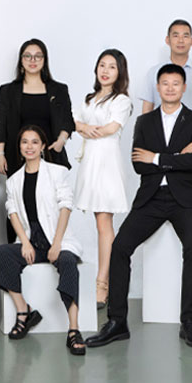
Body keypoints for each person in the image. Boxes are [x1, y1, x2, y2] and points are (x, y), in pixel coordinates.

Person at [87, 63, 192, 350]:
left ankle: (188, 322)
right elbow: (138, 165)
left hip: (185, 200)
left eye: (175, 83)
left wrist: (157, 157)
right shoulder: (144, 122)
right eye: (165, 83)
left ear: (183, 87)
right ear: (157, 87)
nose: (170, 88)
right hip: (151, 198)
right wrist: (176, 156)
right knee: (120, 248)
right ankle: (117, 322)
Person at [0, 125, 87, 355]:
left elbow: (66, 206)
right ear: (19, 147)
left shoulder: (57, 172)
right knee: (2, 254)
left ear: (43, 146)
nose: (29, 146)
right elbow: (13, 212)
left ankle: (74, 330)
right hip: (32, 243)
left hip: (58, 240)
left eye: (35, 142)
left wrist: (57, 243)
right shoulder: (14, 180)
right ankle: (24, 312)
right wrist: (24, 242)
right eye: (24, 142)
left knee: (67, 263)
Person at [72, 49, 135, 311]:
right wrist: (82, 127)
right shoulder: (89, 99)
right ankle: (104, 279)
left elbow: (111, 128)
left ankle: (103, 283)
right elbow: (74, 121)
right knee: (99, 222)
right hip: (90, 163)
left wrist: (85, 128)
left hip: (107, 163)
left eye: (111, 66)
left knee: (103, 222)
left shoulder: (121, 100)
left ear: (120, 72)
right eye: (102, 65)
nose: (105, 71)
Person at [0, 38, 74, 179]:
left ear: (44, 60)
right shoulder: (8, 91)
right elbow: (1, 123)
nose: (33, 60)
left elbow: (68, 120)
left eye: (38, 56)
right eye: (27, 56)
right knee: (21, 192)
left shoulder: (59, 89)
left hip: (50, 155)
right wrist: (0, 154)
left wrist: (60, 142)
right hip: (17, 156)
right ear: (21, 60)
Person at [139, 19, 192, 114]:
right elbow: (146, 110)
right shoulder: (153, 73)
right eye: (176, 36)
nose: (181, 40)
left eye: (185, 36)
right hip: (161, 123)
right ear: (167, 40)